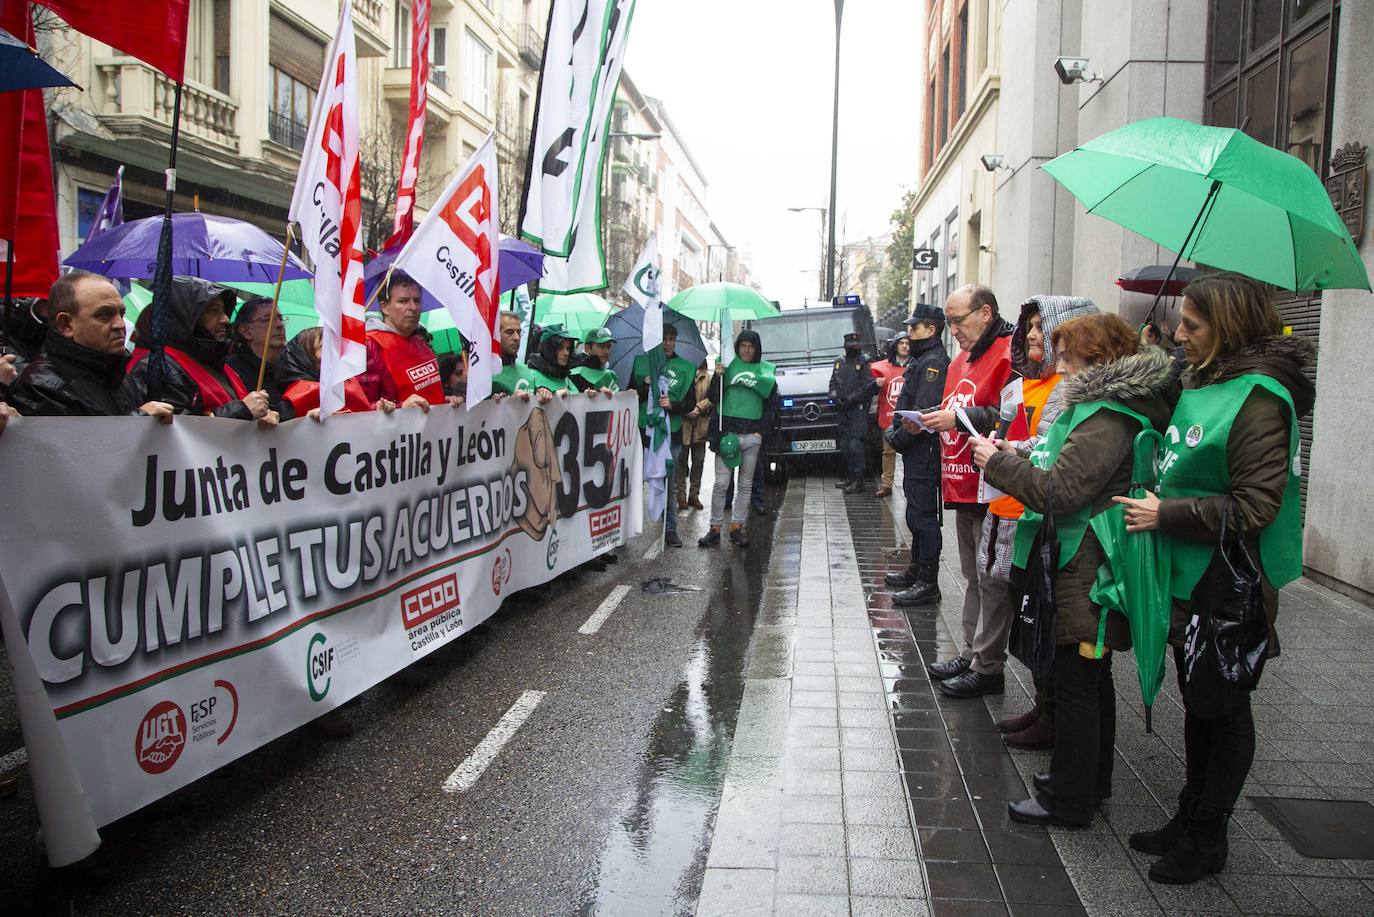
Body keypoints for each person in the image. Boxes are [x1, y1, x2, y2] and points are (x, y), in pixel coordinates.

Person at [1115, 273, 1313, 885]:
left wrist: (1165, 512)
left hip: (1228, 584)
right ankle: (1189, 813)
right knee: (1198, 702)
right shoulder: (1202, 380)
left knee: (1222, 706)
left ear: (1227, 327)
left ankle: (1208, 835)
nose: (1180, 335)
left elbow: (1256, 506)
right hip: (1184, 576)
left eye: (1194, 326)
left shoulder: (1258, 397)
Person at [973, 312, 1173, 829]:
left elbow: (1060, 489)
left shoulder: (1108, 417)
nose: (1057, 364)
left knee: (1080, 681)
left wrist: (995, 464)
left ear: (1098, 361)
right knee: (1084, 679)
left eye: (1067, 356)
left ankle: (1071, 797)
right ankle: (1085, 781)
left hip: (1086, 564)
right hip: (1075, 558)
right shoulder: (1095, 409)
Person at [981, 296, 1099, 748]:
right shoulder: (1030, 383)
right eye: (1028, 327)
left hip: (1056, 528)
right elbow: (1042, 443)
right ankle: (1045, 708)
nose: (1032, 335)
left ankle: (1061, 739)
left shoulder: (1078, 398)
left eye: (1041, 328)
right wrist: (1011, 452)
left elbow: (1059, 475)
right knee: (1035, 620)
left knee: (1067, 649)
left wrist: (1005, 461)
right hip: (1028, 514)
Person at [917, 284, 1013, 697]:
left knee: (992, 580)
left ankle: (988, 665)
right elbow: (955, 408)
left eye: (958, 320)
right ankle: (973, 651)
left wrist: (956, 418)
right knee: (973, 575)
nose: (951, 328)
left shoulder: (1009, 354)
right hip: (962, 483)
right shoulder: (961, 359)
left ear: (986, 313)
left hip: (993, 485)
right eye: (949, 320)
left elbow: (1010, 417)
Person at [7, 271, 172, 420]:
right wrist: (140, 420)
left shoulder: (118, 374)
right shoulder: (40, 386)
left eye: (121, 314)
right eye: (104, 315)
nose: (120, 325)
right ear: (67, 324)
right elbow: (73, 449)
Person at [124, 276, 277, 424]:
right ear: (187, 317)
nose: (225, 319)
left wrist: (261, 417)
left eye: (224, 311)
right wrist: (242, 411)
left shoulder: (221, 366)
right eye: (213, 310)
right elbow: (177, 433)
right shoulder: (159, 367)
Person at [885, 304, 950, 606]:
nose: (909, 333)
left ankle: (928, 581)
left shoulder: (934, 361)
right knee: (914, 513)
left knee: (923, 517)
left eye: (915, 328)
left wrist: (896, 438)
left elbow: (922, 415)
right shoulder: (921, 358)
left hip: (923, 450)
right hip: (915, 452)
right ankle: (916, 569)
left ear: (931, 329)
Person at [700, 328, 778, 548]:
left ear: (756, 349)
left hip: (752, 437)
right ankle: (715, 528)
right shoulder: (726, 365)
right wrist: (718, 376)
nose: (746, 350)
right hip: (727, 435)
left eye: (750, 346)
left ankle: (737, 528)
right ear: (737, 347)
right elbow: (713, 398)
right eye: (743, 345)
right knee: (721, 483)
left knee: (745, 484)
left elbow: (772, 406)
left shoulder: (765, 372)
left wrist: (760, 432)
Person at [631, 324, 697, 547]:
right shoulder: (641, 363)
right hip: (643, 431)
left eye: (671, 338)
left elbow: (690, 404)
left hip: (672, 435)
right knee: (636, 481)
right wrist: (644, 385)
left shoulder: (686, 368)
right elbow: (629, 395)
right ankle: (627, 530)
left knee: (668, 484)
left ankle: (670, 529)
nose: (667, 343)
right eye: (663, 339)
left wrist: (673, 404)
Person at [360, 272, 457, 410]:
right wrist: (401, 409)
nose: (413, 307)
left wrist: (443, 403)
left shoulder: (421, 345)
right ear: (384, 307)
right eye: (403, 301)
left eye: (417, 301)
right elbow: (358, 410)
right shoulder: (369, 346)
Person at [279, 326, 394, 418]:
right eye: (324, 347)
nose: (335, 352)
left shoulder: (350, 386)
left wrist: (379, 416)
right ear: (305, 358)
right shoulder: (297, 398)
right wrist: (306, 425)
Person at [828, 331, 878, 493]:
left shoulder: (865, 362)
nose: (853, 348)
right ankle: (850, 476)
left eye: (856, 345)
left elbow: (868, 386)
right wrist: (835, 398)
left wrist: (850, 399)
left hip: (857, 410)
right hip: (842, 410)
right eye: (850, 345)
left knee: (855, 445)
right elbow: (833, 383)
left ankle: (859, 480)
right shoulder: (839, 362)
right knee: (845, 445)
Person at [226, 296, 288, 414]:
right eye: (267, 320)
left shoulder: (292, 367)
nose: (279, 324)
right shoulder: (230, 371)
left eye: (280, 318)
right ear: (246, 331)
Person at [871, 334, 911, 497]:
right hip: (889, 416)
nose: (905, 346)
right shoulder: (882, 368)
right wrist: (875, 385)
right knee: (888, 452)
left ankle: (910, 483)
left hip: (908, 417)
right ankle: (887, 484)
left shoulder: (915, 365)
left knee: (910, 453)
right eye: (901, 343)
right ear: (895, 345)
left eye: (907, 343)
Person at [678, 359, 712, 511]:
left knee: (698, 462)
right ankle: (680, 496)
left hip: (700, 426)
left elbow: (712, 398)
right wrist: (686, 410)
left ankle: (694, 495)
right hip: (683, 424)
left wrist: (699, 408)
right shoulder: (682, 372)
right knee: (681, 462)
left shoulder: (707, 377)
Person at [491, 310, 536, 401]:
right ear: (495, 334)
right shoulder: (484, 374)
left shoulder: (528, 371)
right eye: (509, 332)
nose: (516, 338)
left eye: (519, 332)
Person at [526, 324, 580, 397]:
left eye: (568, 348)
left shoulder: (566, 378)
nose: (566, 353)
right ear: (548, 349)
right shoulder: (530, 376)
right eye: (560, 348)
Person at [570, 327, 619, 396]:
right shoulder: (576, 374)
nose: (606, 351)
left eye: (608, 347)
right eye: (601, 346)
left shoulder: (609, 374)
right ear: (587, 348)